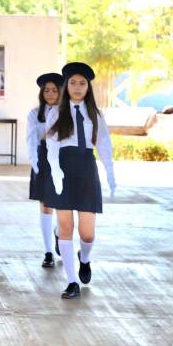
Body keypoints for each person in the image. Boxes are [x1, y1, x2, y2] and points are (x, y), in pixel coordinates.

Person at [45, 62, 116, 299]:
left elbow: (104, 143)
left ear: (88, 87)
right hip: (63, 169)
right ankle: (72, 281)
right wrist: (55, 171)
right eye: (73, 83)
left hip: (86, 169)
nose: (77, 87)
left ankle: (84, 259)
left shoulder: (95, 114)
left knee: (87, 234)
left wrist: (110, 171)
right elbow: (52, 145)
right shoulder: (56, 112)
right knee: (65, 228)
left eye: (82, 83)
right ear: (67, 86)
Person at [26, 72, 63, 268]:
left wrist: (47, 137)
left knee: (61, 204)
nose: (50, 93)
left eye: (54, 90)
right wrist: (35, 163)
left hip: (62, 159)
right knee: (45, 205)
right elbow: (32, 139)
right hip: (42, 158)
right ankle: (48, 251)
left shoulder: (66, 112)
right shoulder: (34, 114)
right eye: (46, 90)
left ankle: (60, 232)